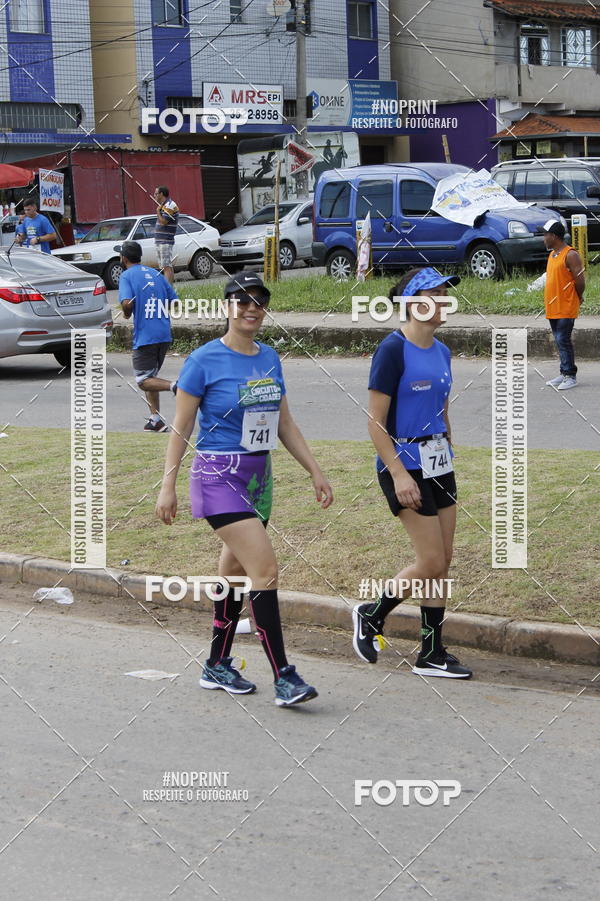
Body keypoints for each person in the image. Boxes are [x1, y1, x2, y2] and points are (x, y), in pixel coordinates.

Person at [155, 271, 334, 706]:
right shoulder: (203, 361)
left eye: (259, 300)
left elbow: (283, 423)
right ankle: (285, 677)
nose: (252, 307)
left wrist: (314, 469)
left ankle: (216, 665)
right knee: (265, 571)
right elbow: (181, 428)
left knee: (234, 575)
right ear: (227, 306)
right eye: (242, 300)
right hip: (217, 475)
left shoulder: (270, 357)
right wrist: (168, 485)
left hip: (259, 477)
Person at [352, 267, 472, 679]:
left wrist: (449, 445)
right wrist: (400, 475)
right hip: (405, 466)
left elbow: (442, 406)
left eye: (444, 293)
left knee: (444, 561)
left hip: (440, 463)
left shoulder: (442, 350)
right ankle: (371, 614)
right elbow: (375, 422)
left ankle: (432, 651)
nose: (443, 300)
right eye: (435, 293)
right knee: (431, 559)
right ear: (412, 302)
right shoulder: (392, 350)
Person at [118, 240, 178, 432]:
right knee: (151, 377)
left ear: (124, 258)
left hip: (146, 335)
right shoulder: (156, 274)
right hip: (163, 333)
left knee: (144, 381)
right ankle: (155, 420)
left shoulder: (127, 276)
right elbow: (174, 301)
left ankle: (178, 386)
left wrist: (127, 312)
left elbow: (127, 304)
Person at [542, 219, 585, 390]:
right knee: (559, 341)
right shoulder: (552, 255)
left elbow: (580, 280)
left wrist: (578, 296)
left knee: (563, 339)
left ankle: (570, 376)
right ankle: (563, 373)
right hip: (553, 306)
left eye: (545, 234)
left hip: (566, 306)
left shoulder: (571, 254)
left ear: (554, 236)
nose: (543, 238)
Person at [153, 186, 179, 285]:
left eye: (156, 193)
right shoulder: (163, 206)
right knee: (165, 266)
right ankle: (170, 289)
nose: (154, 195)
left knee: (166, 266)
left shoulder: (170, 205)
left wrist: (157, 212)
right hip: (160, 241)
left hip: (165, 241)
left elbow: (163, 221)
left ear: (161, 194)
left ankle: (168, 290)